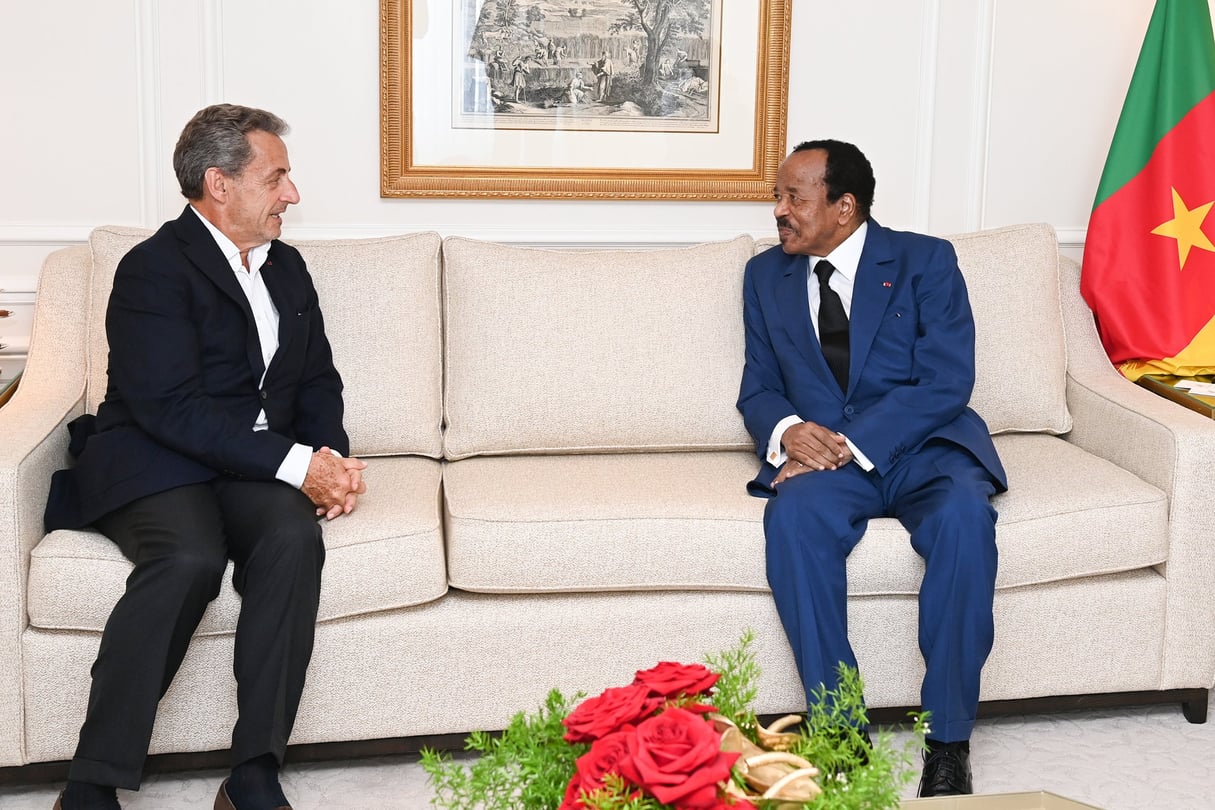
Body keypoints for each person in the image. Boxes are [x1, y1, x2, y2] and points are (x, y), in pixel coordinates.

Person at [43, 104, 367, 810]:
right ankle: (91, 783)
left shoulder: (286, 268)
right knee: (187, 560)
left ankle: (253, 773)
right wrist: (294, 466)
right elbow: (170, 409)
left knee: (290, 540)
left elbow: (316, 380)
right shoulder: (152, 269)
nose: (293, 194)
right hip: (157, 456)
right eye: (277, 177)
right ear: (220, 184)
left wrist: (326, 459)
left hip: (250, 465)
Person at [736, 139, 1006, 797]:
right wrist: (787, 430)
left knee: (965, 522)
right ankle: (840, 731)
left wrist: (849, 444)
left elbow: (946, 381)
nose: (778, 211)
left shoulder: (925, 261)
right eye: (778, 196)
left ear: (843, 206)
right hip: (825, 466)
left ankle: (947, 743)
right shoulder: (762, 277)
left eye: (792, 198)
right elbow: (758, 387)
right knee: (791, 520)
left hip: (926, 449)